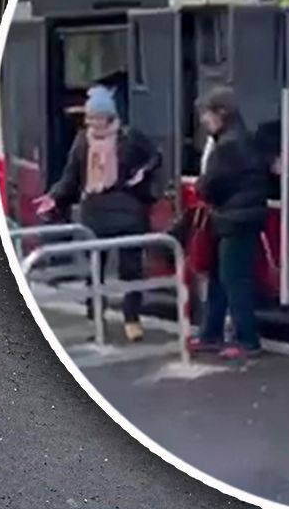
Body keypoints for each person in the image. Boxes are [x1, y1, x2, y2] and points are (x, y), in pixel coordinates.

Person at [42, 85, 163, 342]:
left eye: (96, 117)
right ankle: (95, 318)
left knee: (131, 268)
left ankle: (132, 318)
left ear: (109, 116)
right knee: (94, 270)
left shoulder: (130, 137)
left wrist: (142, 175)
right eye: (89, 118)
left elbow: (155, 158)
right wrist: (54, 196)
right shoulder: (82, 141)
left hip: (129, 209)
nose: (92, 123)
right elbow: (71, 176)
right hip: (94, 212)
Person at [190, 87, 273, 358]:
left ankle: (247, 339)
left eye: (207, 114)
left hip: (233, 219)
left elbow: (210, 185)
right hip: (239, 218)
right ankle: (211, 333)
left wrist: (201, 185)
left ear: (221, 114)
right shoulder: (243, 139)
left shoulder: (227, 146)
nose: (204, 120)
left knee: (233, 279)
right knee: (220, 277)